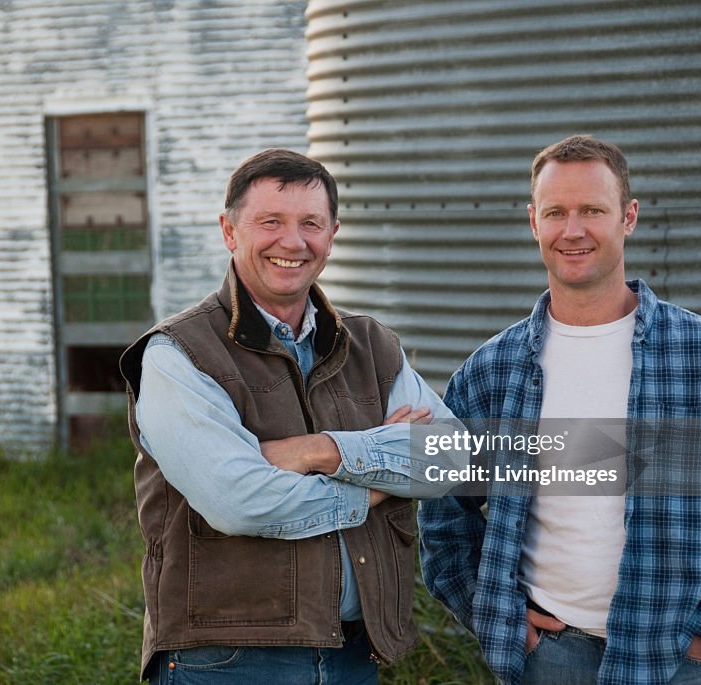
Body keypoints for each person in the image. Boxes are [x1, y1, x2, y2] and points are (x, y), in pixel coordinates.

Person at [418, 135, 701, 684]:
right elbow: (443, 514)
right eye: (556, 213)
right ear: (534, 222)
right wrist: (496, 619)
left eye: (592, 210)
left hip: (677, 664)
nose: (573, 230)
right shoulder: (490, 372)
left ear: (629, 217)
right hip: (546, 660)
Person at [119, 148, 460, 684]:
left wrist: (320, 451)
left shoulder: (371, 345)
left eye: (311, 224)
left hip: (353, 655)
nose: (293, 242)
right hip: (229, 662)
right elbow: (238, 502)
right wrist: (382, 484)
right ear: (229, 231)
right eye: (270, 222)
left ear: (333, 234)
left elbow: (453, 459)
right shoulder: (178, 354)